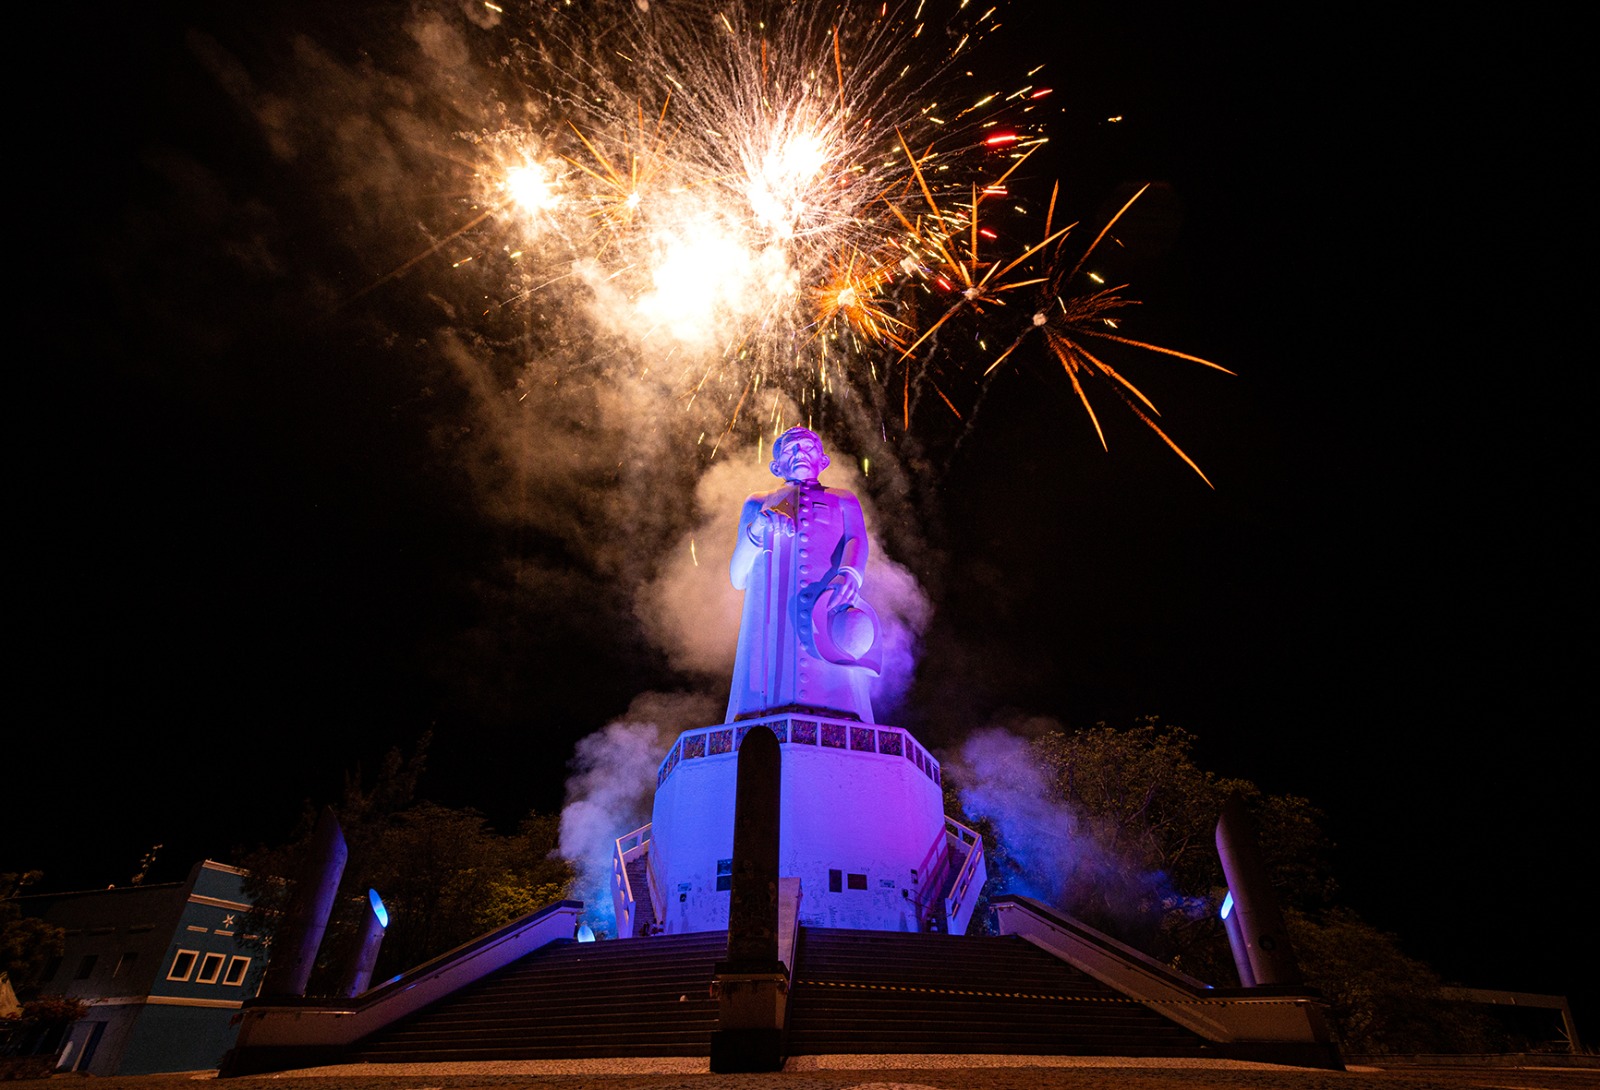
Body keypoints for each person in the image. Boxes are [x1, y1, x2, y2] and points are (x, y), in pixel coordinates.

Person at [727, 427, 881, 723]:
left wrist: (850, 574)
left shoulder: (844, 499)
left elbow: (857, 539)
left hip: (828, 604)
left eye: (808, 448)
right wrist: (756, 530)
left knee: (837, 681)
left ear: (823, 460)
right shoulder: (758, 503)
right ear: (776, 466)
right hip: (772, 616)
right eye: (790, 450)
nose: (799, 453)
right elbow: (737, 575)